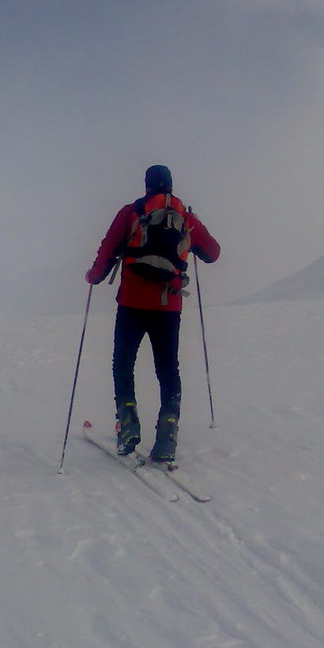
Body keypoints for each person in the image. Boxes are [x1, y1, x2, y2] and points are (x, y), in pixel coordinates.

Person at [86, 165, 221, 462]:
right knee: (168, 370)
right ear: (171, 185)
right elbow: (213, 253)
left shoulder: (131, 212)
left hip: (132, 303)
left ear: (146, 185)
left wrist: (94, 276)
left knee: (123, 362)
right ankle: (168, 430)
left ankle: (129, 420)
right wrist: (194, 222)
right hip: (167, 306)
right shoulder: (185, 218)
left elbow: (108, 249)